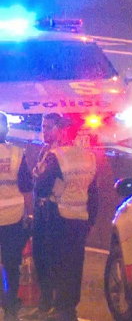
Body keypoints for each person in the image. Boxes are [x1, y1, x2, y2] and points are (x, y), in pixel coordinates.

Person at [26, 113, 97, 321]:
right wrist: (90, 220)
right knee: (73, 265)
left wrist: (38, 177)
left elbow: (41, 186)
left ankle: (53, 307)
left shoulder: (57, 156)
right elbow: (93, 193)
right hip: (79, 218)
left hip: (55, 217)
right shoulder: (88, 156)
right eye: (43, 127)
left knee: (52, 262)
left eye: (49, 127)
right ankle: (66, 309)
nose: (44, 131)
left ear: (61, 130)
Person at [0, 112, 34, 321]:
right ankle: (10, 305)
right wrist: (28, 214)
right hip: (13, 216)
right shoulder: (16, 153)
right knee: (12, 264)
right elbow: (27, 186)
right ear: (7, 130)